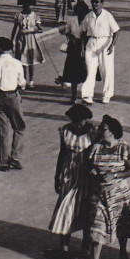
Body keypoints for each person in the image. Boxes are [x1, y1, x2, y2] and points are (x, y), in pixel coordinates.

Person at [85, 116, 130, 259]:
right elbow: (89, 165)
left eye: (102, 129)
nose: (99, 131)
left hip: (119, 196)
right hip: (100, 195)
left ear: (112, 132)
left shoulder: (124, 148)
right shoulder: (95, 147)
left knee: (122, 226)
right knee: (97, 228)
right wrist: (93, 171)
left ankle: (123, 252)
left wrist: (115, 175)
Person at [48, 104, 94, 251]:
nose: (78, 124)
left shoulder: (93, 132)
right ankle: (64, 246)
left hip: (87, 175)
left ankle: (86, 244)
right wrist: (57, 177)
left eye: (80, 121)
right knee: (65, 207)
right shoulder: (65, 131)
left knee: (86, 209)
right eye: (75, 121)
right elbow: (62, 154)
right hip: (69, 175)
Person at [0, 37, 26, 170]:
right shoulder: (16, 63)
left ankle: (4, 162)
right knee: (19, 127)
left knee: (2, 130)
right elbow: (21, 82)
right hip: (12, 95)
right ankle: (15, 157)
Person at [80, 0, 120, 105]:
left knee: (106, 70)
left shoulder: (107, 16)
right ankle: (88, 95)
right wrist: (83, 47)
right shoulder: (89, 16)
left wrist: (111, 45)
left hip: (105, 43)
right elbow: (83, 32)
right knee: (90, 70)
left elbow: (116, 32)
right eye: (93, 2)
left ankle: (107, 94)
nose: (95, 4)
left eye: (97, 2)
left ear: (102, 3)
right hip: (92, 43)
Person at [58, 0, 90, 104]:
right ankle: (73, 96)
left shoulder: (88, 20)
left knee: (86, 71)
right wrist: (72, 37)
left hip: (85, 47)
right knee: (73, 73)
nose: (80, 13)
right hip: (74, 48)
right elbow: (67, 32)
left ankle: (86, 95)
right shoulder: (72, 20)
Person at [11, 3, 46, 86]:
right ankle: (23, 80)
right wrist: (11, 40)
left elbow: (41, 29)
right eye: (29, 5)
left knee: (31, 60)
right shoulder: (18, 15)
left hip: (31, 39)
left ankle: (31, 81)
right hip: (21, 39)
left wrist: (34, 30)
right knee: (21, 60)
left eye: (32, 5)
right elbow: (14, 29)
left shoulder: (35, 16)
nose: (31, 7)